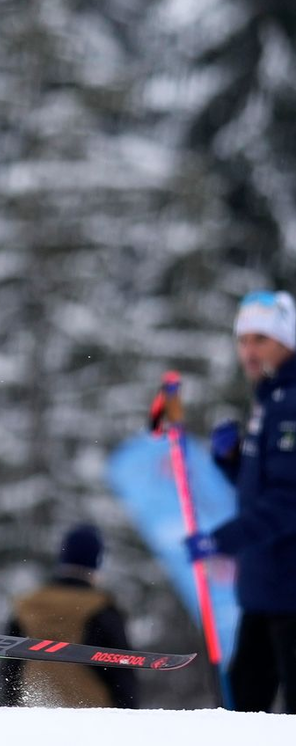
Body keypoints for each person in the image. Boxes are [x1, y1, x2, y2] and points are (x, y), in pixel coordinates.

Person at [185, 290, 296, 713]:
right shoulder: (271, 397)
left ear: (287, 341)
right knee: (239, 716)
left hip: (288, 595)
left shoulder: (290, 403)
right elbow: (266, 488)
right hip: (265, 592)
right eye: (243, 340)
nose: (249, 351)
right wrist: (232, 461)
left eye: (261, 339)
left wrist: (222, 540)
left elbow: (288, 503)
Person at [0, 524, 138, 709]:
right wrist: (128, 712)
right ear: (96, 562)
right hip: (91, 711)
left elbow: (10, 668)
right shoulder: (100, 608)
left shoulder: (27, 605)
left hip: (33, 708)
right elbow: (121, 672)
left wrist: (10, 707)